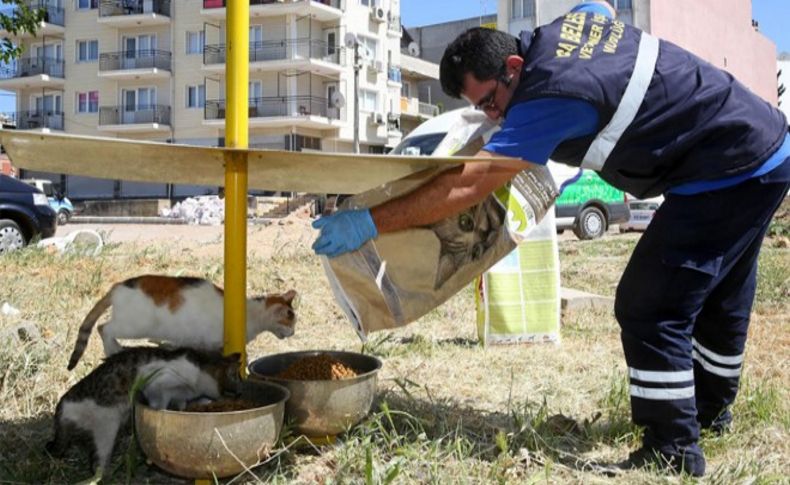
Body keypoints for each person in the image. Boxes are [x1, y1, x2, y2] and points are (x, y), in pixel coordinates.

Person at [312, 0, 790, 476]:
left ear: (514, 66)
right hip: (766, 148)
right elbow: (597, 6)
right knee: (721, 295)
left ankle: (673, 447)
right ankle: (712, 414)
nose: (494, 117)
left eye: (490, 103)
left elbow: (467, 185)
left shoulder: (549, 97)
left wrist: (370, 221)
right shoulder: (565, 29)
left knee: (650, 305)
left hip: (725, 170)